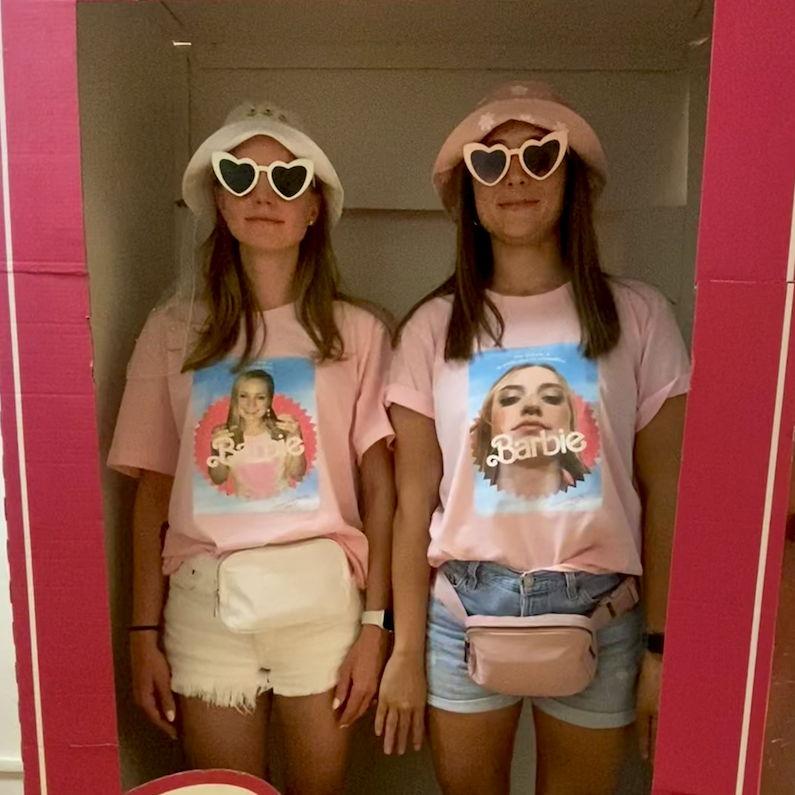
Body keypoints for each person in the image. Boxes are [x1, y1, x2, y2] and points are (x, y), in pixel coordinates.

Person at [376, 82, 690, 794]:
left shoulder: (638, 316)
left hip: (605, 614)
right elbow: (411, 500)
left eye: (539, 157)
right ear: (469, 192)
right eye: (490, 162)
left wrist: (661, 649)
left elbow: (667, 488)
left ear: (572, 178)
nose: (514, 177)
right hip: (460, 615)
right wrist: (404, 648)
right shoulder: (430, 328)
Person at [108, 101, 395, 794]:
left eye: (287, 180)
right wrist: (141, 633)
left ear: (314, 208)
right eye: (240, 176)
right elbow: (151, 491)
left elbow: (382, 489)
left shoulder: (357, 333)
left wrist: (376, 625)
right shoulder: (173, 330)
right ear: (218, 198)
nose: (263, 195)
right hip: (206, 607)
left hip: (324, 603)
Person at [470, 362, 591, 499]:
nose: (531, 405)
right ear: (489, 424)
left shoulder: (594, 496)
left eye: (551, 397)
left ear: (570, 423)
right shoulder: (467, 496)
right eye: (510, 398)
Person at [207, 368, 307, 499]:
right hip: (245, 509)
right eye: (244, 396)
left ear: (269, 401)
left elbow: (297, 474)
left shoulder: (283, 431)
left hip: (284, 506)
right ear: (235, 399)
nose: (251, 404)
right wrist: (217, 450)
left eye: (260, 397)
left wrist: (296, 437)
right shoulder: (224, 435)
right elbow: (218, 479)